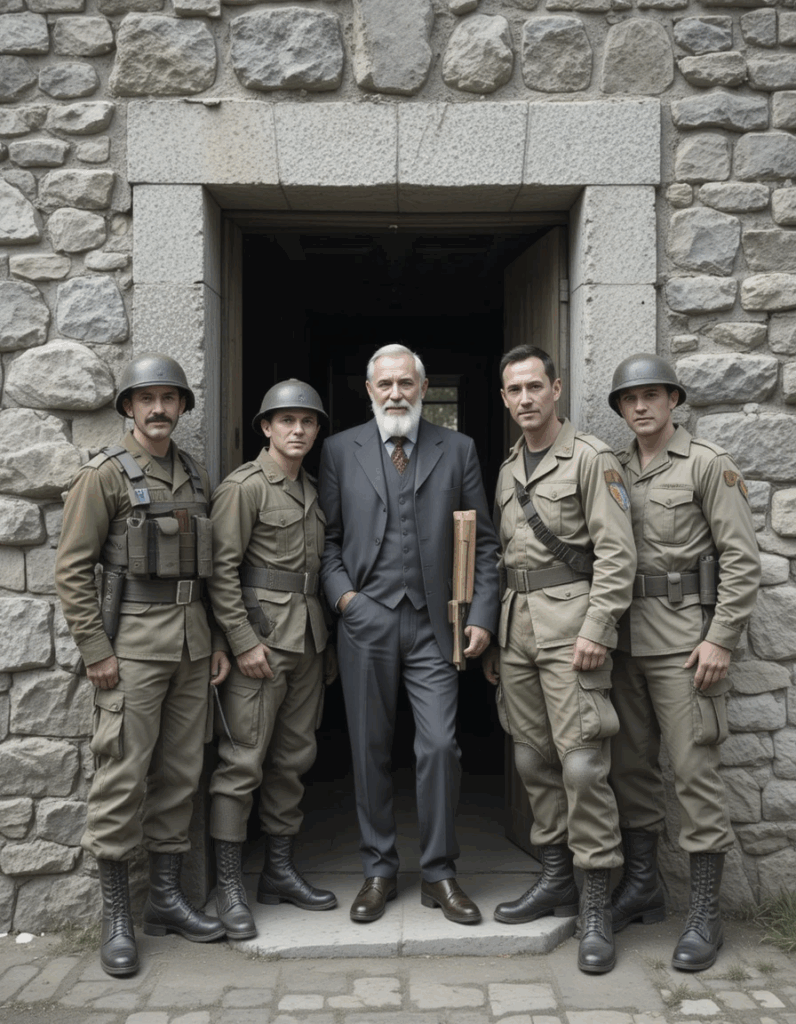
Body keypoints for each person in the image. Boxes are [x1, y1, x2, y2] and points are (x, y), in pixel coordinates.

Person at [55, 353, 232, 978]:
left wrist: (212, 640)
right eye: (146, 399)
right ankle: (117, 918)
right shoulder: (103, 477)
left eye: (169, 398)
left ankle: (165, 898)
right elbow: (73, 572)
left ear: (183, 406)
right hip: (129, 649)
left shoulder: (193, 474)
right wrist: (96, 653)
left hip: (189, 647)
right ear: (128, 407)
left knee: (181, 776)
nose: (159, 409)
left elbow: (202, 569)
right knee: (122, 778)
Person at [318, 343, 500, 926]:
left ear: (422, 389)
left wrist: (481, 615)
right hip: (366, 620)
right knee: (369, 747)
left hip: (434, 623)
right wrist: (346, 600)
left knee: (440, 746)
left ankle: (440, 874)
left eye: (406, 383)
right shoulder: (338, 450)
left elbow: (487, 544)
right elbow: (326, 541)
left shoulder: (459, 448)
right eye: (385, 384)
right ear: (369, 390)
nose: (395, 393)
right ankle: (378, 868)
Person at [482, 344, 636, 974]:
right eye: (513, 389)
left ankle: (596, 900)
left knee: (582, 766)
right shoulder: (508, 466)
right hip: (519, 633)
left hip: (574, 632)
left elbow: (617, 554)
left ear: (556, 390)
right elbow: (504, 559)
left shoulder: (591, 459)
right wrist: (494, 634)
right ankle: (555, 877)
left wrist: (599, 628)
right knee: (530, 755)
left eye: (534, 387)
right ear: (504, 397)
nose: (525, 399)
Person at [606, 354, 761, 972]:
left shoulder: (706, 465)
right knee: (630, 769)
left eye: (652, 395)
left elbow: (741, 560)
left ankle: (704, 912)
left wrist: (720, 638)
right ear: (619, 408)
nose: (640, 406)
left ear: (675, 400)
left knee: (695, 773)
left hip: (683, 645)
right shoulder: (611, 468)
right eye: (630, 398)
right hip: (622, 644)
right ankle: (643, 887)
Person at [206, 380, 337, 940]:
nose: (298, 430)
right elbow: (220, 569)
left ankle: (279, 872)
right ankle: (230, 885)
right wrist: (241, 641)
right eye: (286, 421)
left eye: (307, 422)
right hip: (261, 644)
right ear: (266, 427)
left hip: (307, 642)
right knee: (241, 765)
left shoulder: (309, 487)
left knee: (293, 759)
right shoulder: (245, 488)